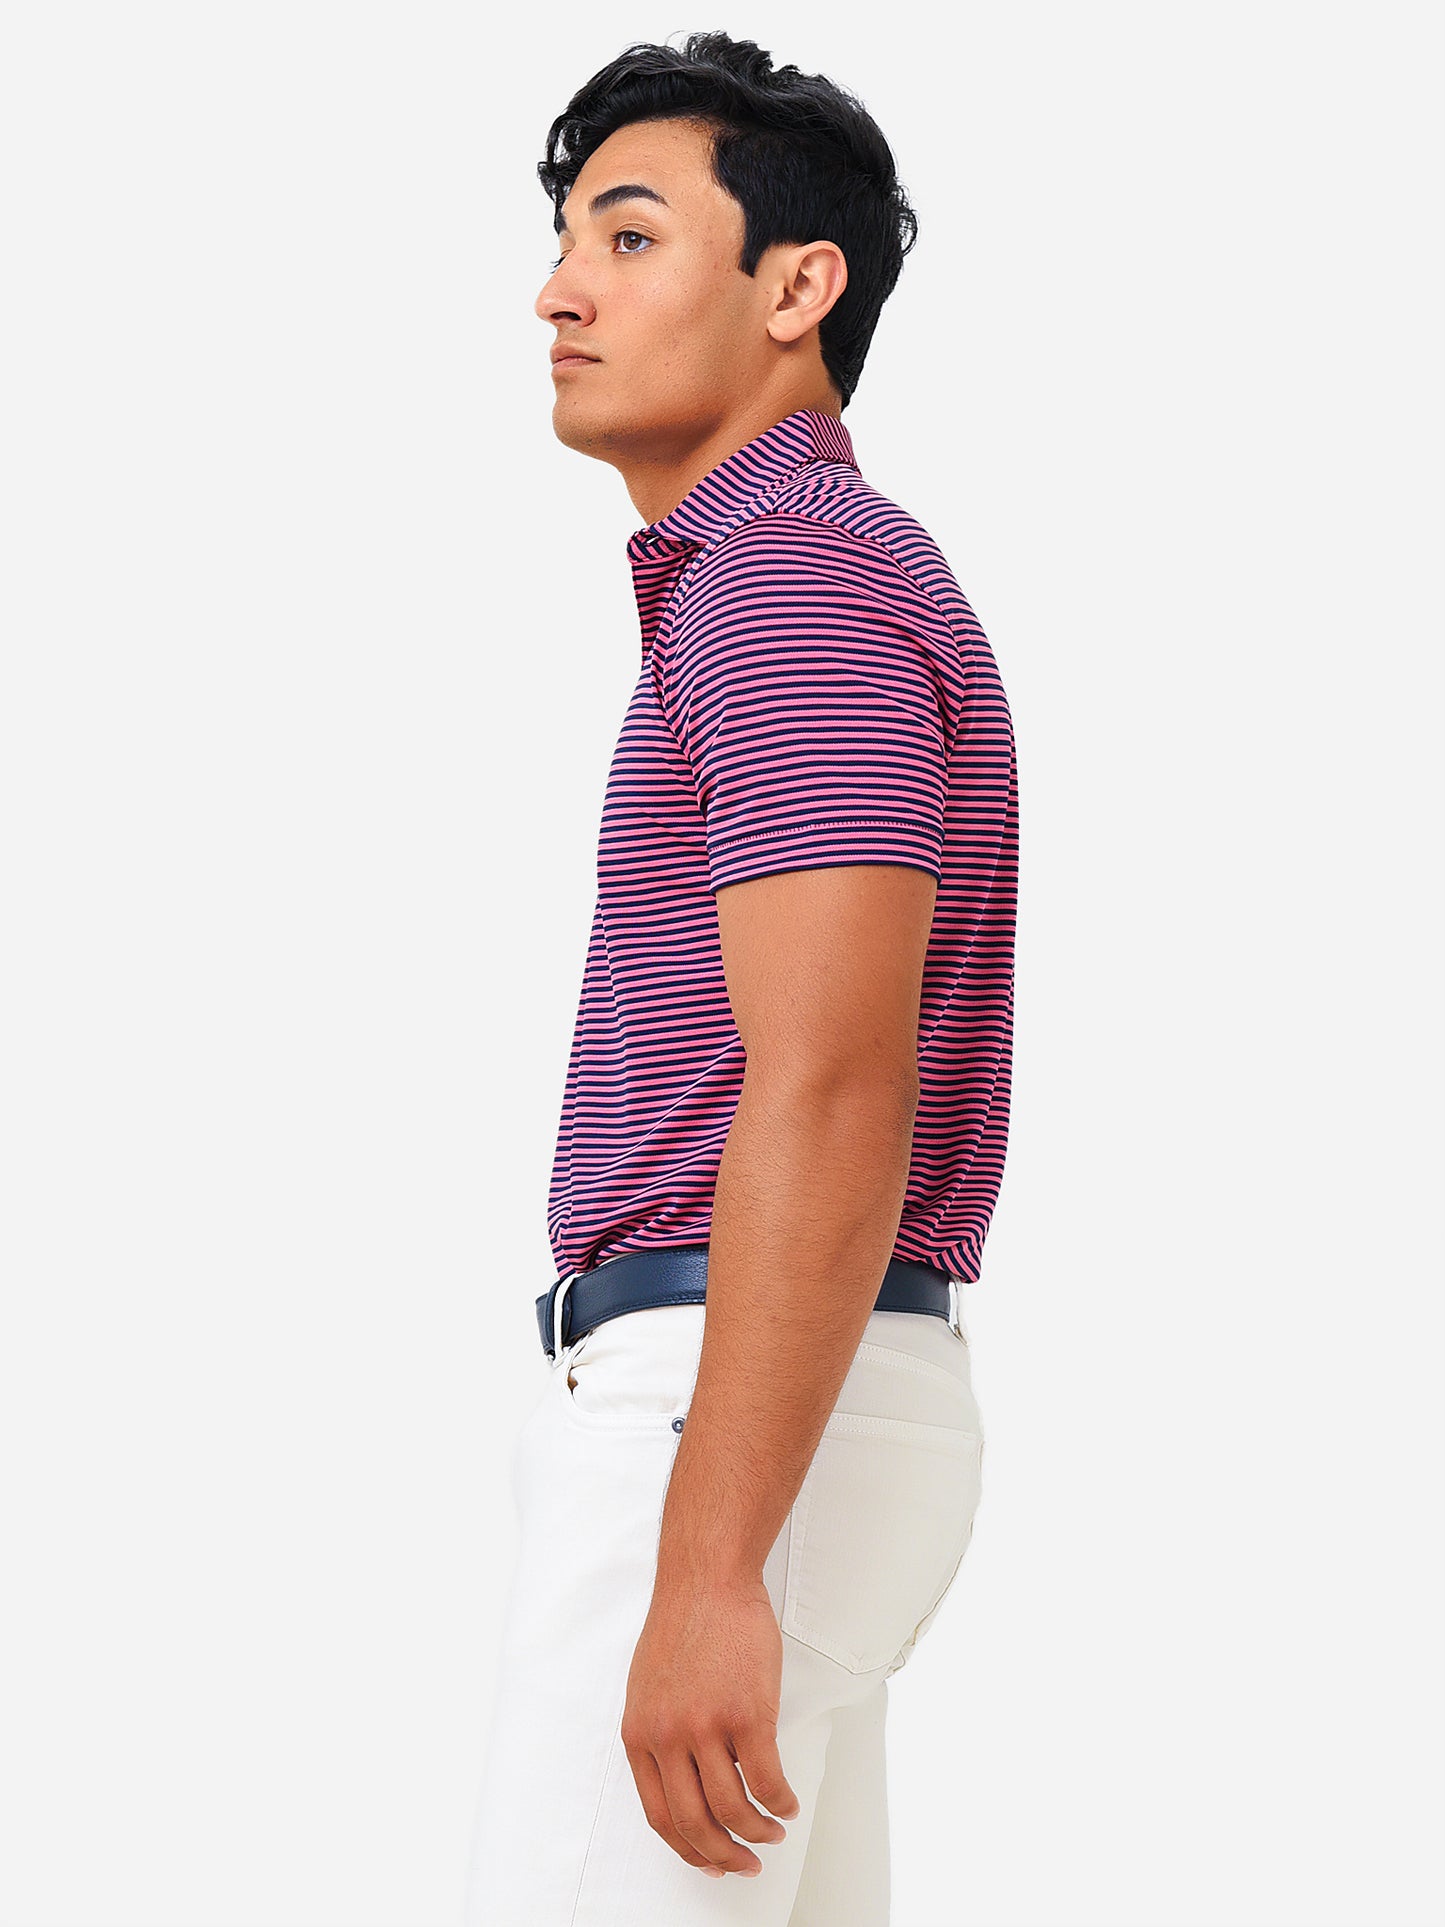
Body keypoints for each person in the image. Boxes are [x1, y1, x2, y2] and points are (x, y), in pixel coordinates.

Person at [463, 31, 1017, 1925]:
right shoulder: (781, 575)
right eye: (562, 242)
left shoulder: (786, 575)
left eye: (628, 237)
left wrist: (706, 1567)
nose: (559, 291)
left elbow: (835, 1078)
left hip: (728, 1402)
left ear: (798, 288)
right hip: (801, 1393)